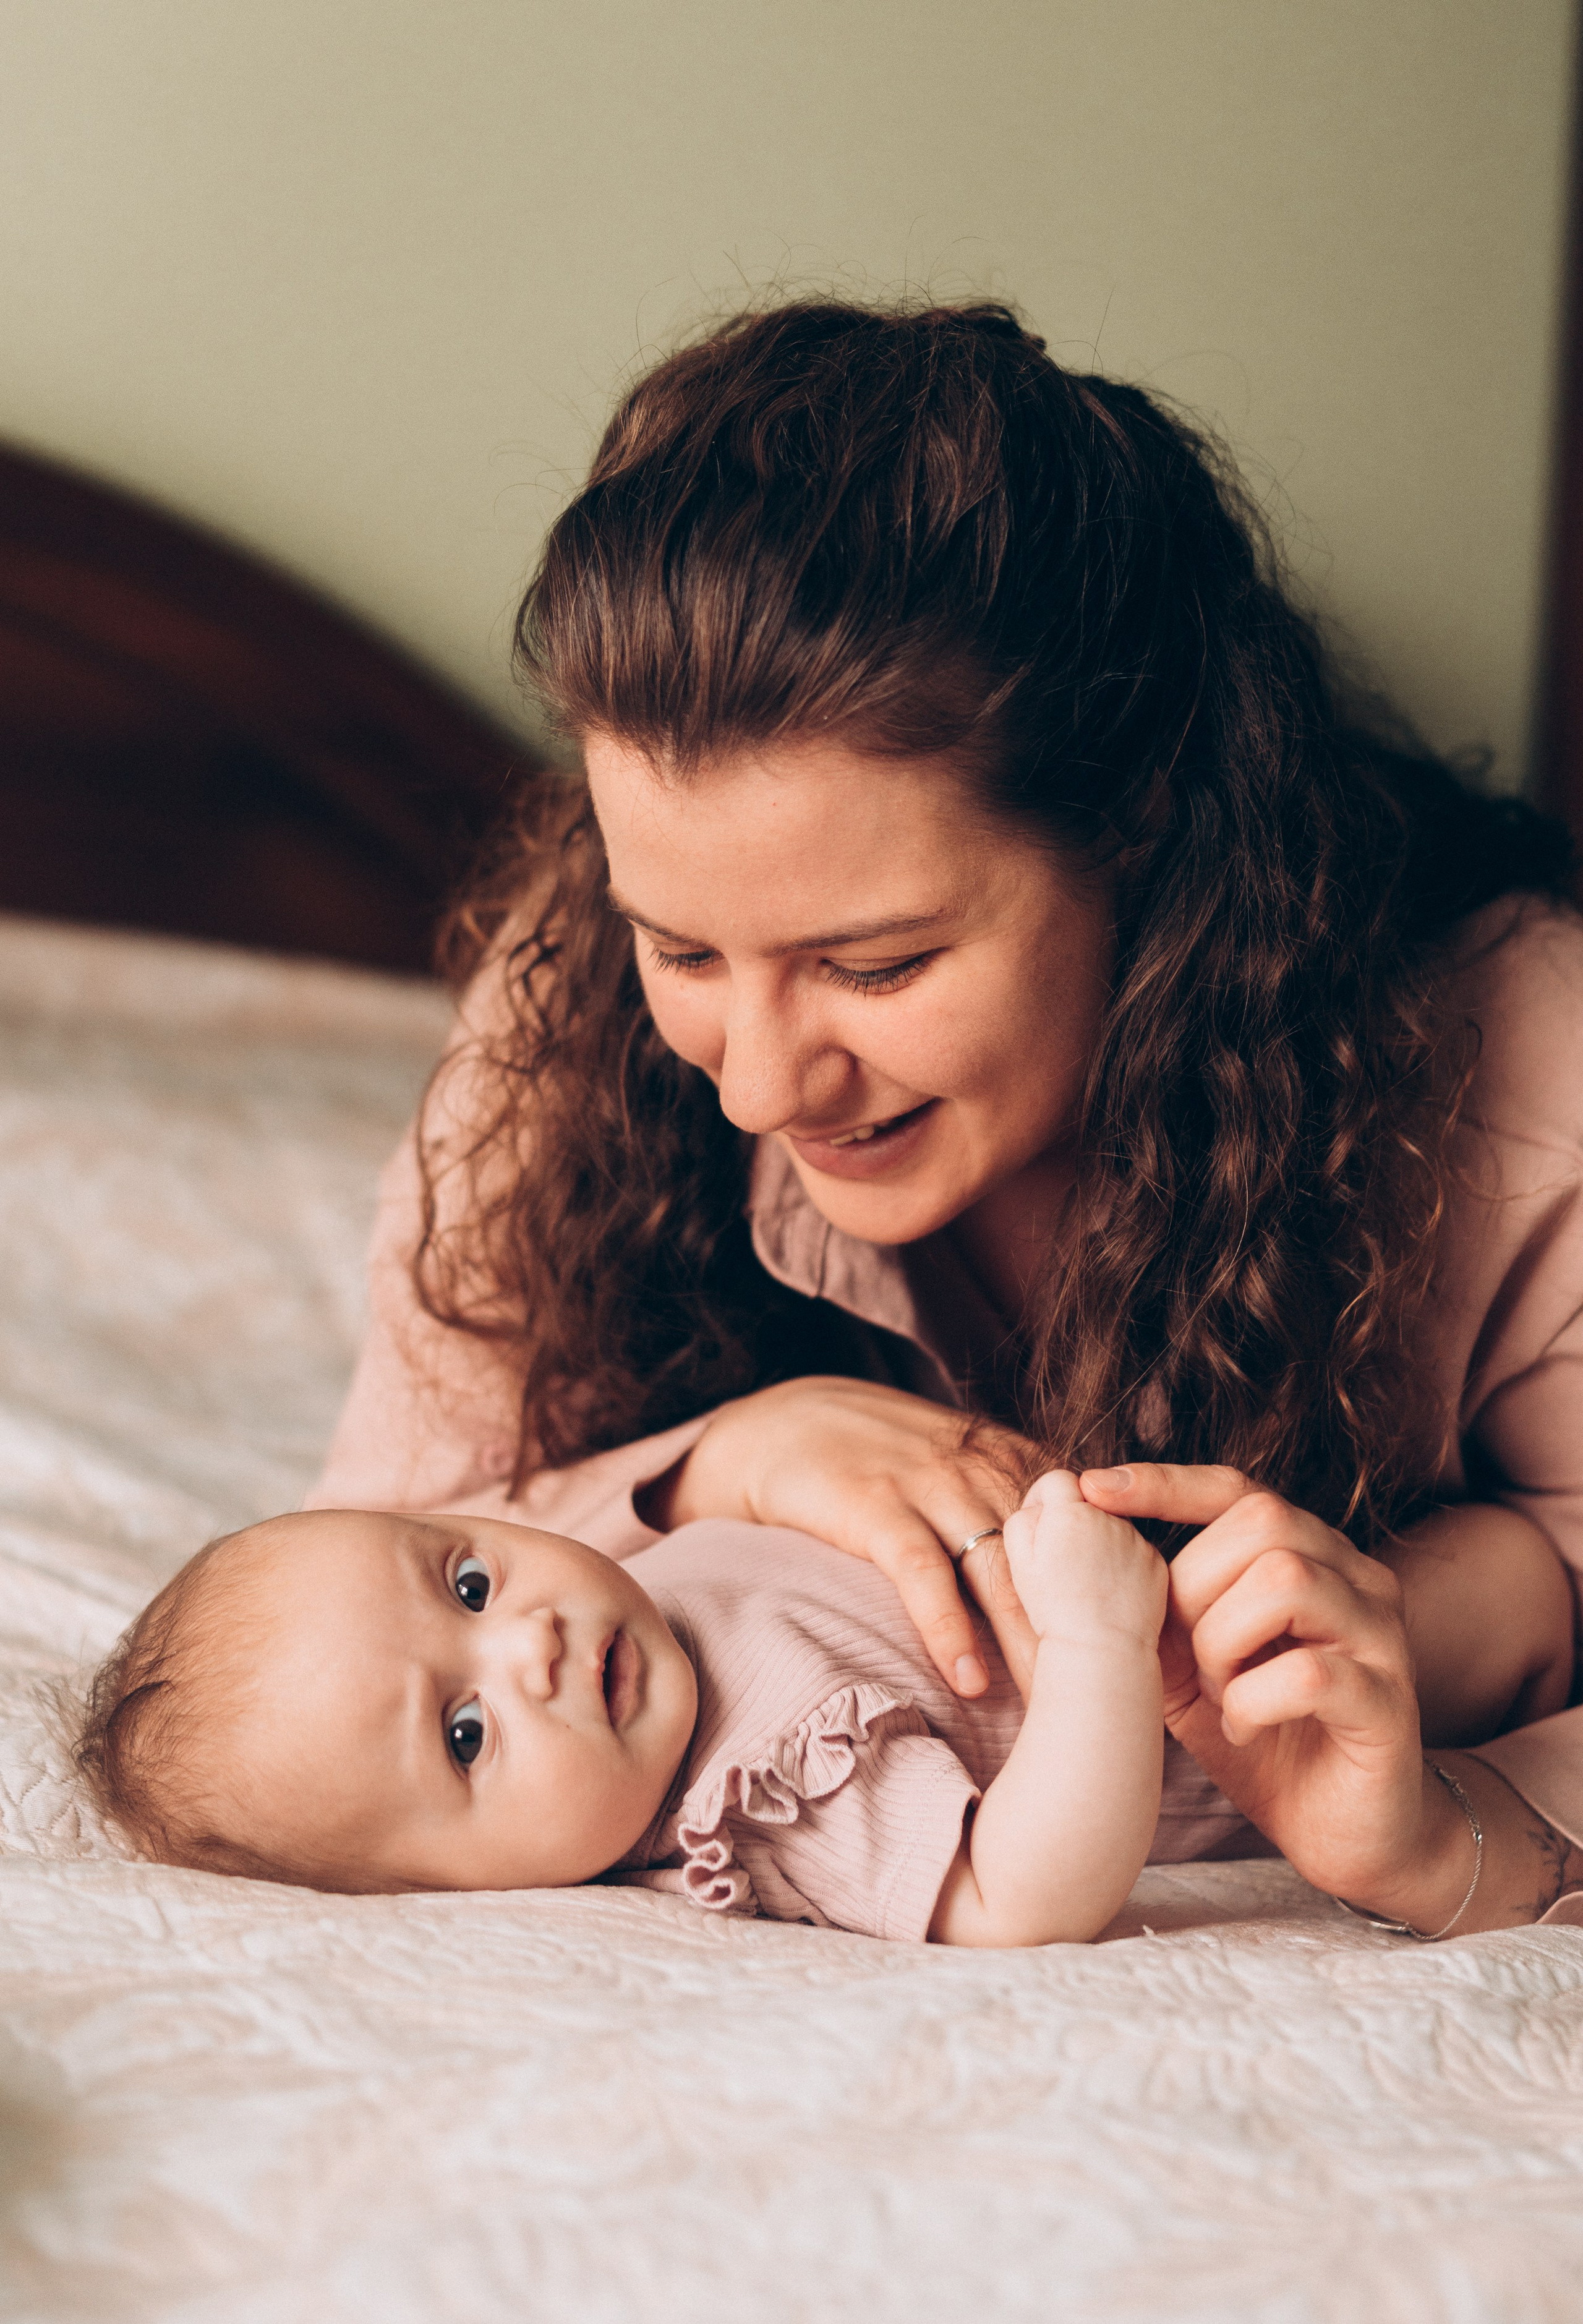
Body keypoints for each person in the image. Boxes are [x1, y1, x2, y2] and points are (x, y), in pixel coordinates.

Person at [311, 297, 1583, 1936]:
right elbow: (359, 1564)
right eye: (683, 949)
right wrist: (721, 1466)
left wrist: (1442, 1806)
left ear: (1141, 822)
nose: (756, 1086)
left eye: (875, 964)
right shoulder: (567, 1019)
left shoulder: (1526, 1076)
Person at [71, 1469, 1571, 1941]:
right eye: (464, 1738)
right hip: (1252, 1717)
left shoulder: (643, 1583)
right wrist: (1101, 1644)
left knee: (1509, 1563)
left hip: (1236, 1593)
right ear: (462, 1892)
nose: (526, 1645)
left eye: (465, 1581)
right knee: (1511, 1611)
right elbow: (1015, 1893)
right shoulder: (753, 1793)